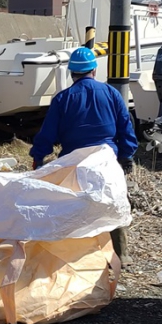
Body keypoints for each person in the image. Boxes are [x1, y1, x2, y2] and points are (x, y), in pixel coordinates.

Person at [29, 46, 138, 264]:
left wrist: (38, 158)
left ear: (72, 73)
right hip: (106, 160)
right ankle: (121, 255)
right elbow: (126, 128)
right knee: (113, 203)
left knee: (74, 209)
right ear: (94, 70)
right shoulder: (111, 93)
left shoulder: (63, 98)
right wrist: (127, 156)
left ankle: (77, 258)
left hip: (75, 163)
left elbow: (48, 133)